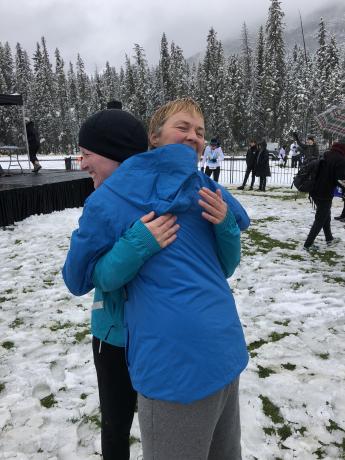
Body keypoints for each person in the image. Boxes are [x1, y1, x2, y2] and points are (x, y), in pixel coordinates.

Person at [63, 98, 250, 460]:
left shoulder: (197, 191)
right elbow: (85, 277)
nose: (194, 136)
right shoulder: (115, 198)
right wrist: (137, 245)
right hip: (117, 336)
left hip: (170, 349)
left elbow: (222, 266)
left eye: (199, 131)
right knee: (116, 426)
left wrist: (226, 223)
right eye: (184, 127)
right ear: (153, 137)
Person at [303, 139, 345, 251]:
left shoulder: (327, 154)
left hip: (314, 190)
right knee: (320, 218)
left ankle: (329, 238)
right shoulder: (341, 160)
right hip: (324, 193)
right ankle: (308, 245)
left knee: (326, 214)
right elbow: (341, 180)